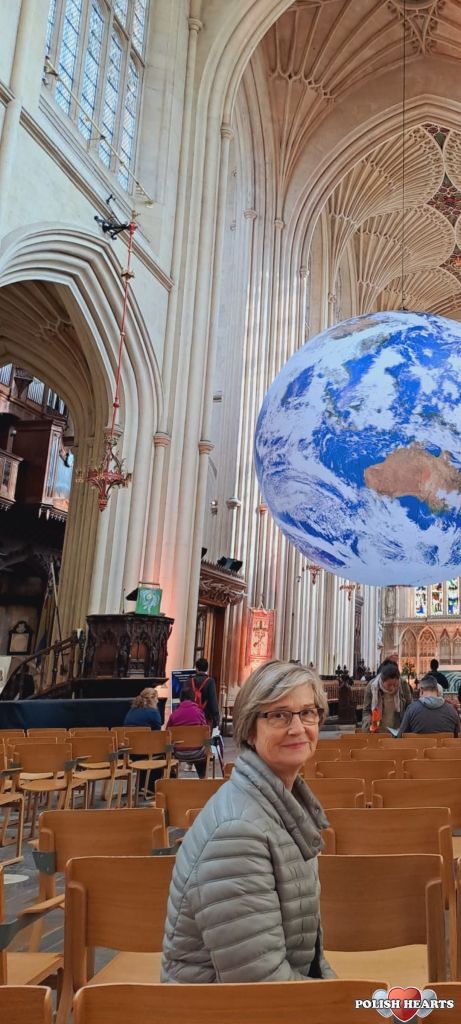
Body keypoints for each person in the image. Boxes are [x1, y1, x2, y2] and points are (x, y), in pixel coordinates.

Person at [162, 660, 334, 983]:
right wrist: (349, 1002)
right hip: (222, 1005)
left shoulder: (281, 803)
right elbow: (260, 987)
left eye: (307, 712)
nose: (298, 728)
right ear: (250, 730)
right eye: (279, 715)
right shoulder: (236, 835)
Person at [166, 685, 208, 778]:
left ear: (180, 699)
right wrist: (209, 747)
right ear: (194, 699)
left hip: (179, 753)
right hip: (197, 752)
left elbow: (167, 734)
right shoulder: (199, 712)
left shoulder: (174, 715)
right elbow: (205, 732)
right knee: (204, 747)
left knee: (167, 748)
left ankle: (172, 777)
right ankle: (203, 778)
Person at [361, 662, 411, 733]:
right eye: (389, 685)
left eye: (395, 684)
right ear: (382, 681)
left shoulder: (403, 685)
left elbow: (410, 707)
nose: (392, 688)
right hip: (378, 730)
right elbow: (366, 710)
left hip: (398, 730)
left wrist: (405, 725)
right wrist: (369, 723)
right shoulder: (372, 687)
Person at [189, 657, 220, 728]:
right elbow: (213, 701)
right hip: (205, 717)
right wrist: (216, 720)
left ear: (196, 668)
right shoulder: (210, 681)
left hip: (191, 717)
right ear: (207, 669)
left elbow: (184, 699)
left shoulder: (190, 681)